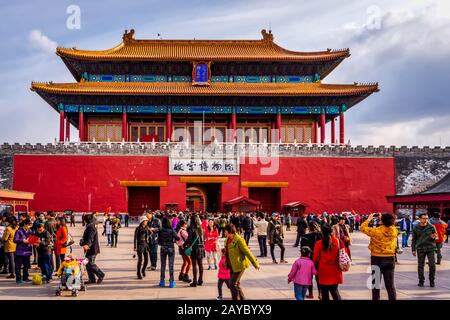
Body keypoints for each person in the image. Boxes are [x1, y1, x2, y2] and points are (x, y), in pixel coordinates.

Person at [360, 213, 398, 300]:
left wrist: (369, 219)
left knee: (376, 284)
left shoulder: (376, 231)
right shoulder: (394, 230)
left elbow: (362, 228)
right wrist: (384, 219)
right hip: (390, 258)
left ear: (382, 221)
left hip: (376, 258)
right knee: (390, 285)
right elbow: (391, 224)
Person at [223, 224, 259, 300]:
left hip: (239, 265)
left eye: (225, 231)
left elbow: (247, 252)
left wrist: (255, 263)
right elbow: (227, 252)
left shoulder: (239, 240)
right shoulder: (227, 240)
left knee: (232, 284)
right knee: (236, 284)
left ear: (230, 231)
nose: (224, 232)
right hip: (231, 265)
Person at [313, 223, 343, 300]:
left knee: (324, 292)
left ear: (322, 233)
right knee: (334, 291)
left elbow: (315, 259)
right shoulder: (337, 241)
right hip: (335, 270)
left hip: (323, 271)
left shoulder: (318, 244)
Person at [412, 213, 438, 287]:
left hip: (431, 248)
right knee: (420, 265)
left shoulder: (431, 226)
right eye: (424, 218)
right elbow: (414, 239)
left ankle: (432, 280)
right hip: (420, 248)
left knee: (432, 265)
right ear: (420, 219)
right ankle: (421, 281)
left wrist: (434, 237)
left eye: (427, 218)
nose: (425, 220)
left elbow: (436, 237)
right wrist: (413, 249)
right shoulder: (416, 227)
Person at [80, 214, 105, 284]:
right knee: (88, 264)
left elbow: (90, 237)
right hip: (90, 248)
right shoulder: (90, 225)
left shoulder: (91, 227)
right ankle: (92, 279)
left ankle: (100, 274)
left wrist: (87, 245)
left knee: (90, 263)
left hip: (92, 249)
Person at [158, 216, 180, 288]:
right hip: (170, 248)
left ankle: (162, 281)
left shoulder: (161, 230)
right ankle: (171, 282)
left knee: (163, 265)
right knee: (171, 266)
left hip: (163, 248)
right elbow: (178, 238)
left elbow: (158, 240)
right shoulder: (172, 230)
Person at [302, 221, 322, 299]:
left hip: (308, 259)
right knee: (318, 277)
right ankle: (320, 294)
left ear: (309, 227)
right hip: (318, 259)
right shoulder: (321, 236)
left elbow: (303, 249)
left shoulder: (305, 236)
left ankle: (310, 294)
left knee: (309, 277)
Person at [185, 215, 205, 287]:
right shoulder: (201, 229)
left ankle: (195, 281)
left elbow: (189, 240)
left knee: (194, 265)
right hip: (201, 248)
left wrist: (184, 244)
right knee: (200, 264)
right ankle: (200, 280)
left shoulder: (192, 229)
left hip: (195, 248)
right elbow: (204, 239)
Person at [13, 219, 33, 284]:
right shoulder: (19, 231)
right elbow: (15, 240)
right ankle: (18, 279)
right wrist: (22, 240)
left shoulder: (30, 231)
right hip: (20, 251)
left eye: (30, 225)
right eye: (28, 225)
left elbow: (32, 238)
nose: (29, 227)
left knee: (26, 265)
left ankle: (25, 277)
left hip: (27, 251)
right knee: (18, 266)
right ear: (25, 224)